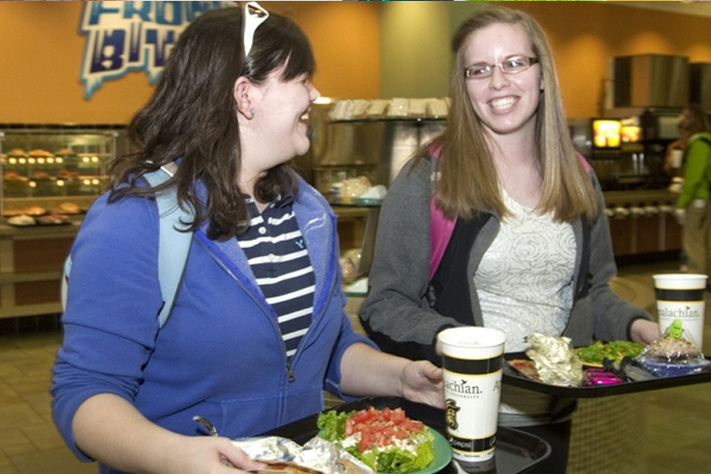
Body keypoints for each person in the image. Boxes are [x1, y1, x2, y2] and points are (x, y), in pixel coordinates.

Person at [51, 4, 443, 474]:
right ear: (245, 95)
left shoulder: (310, 211)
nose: (314, 95)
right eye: (300, 79)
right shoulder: (136, 219)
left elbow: (329, 349)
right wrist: (180, 456)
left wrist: (401, 377)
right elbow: (86, 392)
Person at [358, 6, 659, 473]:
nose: (498, 81)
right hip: (455, 418)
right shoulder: (431, 176)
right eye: (480, 70)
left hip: (551, 415)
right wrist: (451, 340)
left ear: (542, 74)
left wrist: (643, 330)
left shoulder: (578, 176)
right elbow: (386, 303)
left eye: (515, 63)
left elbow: (594, 294)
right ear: (464, 86)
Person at [674, 104, 711, 279]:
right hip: (706, 199)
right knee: (705, 241)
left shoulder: (699, 144)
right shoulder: (707, 140)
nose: (681, 118)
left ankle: (696, 281)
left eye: (684, 115)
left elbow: (694, 178)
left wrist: (681, 204)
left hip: (698, 200)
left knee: (693, 242)